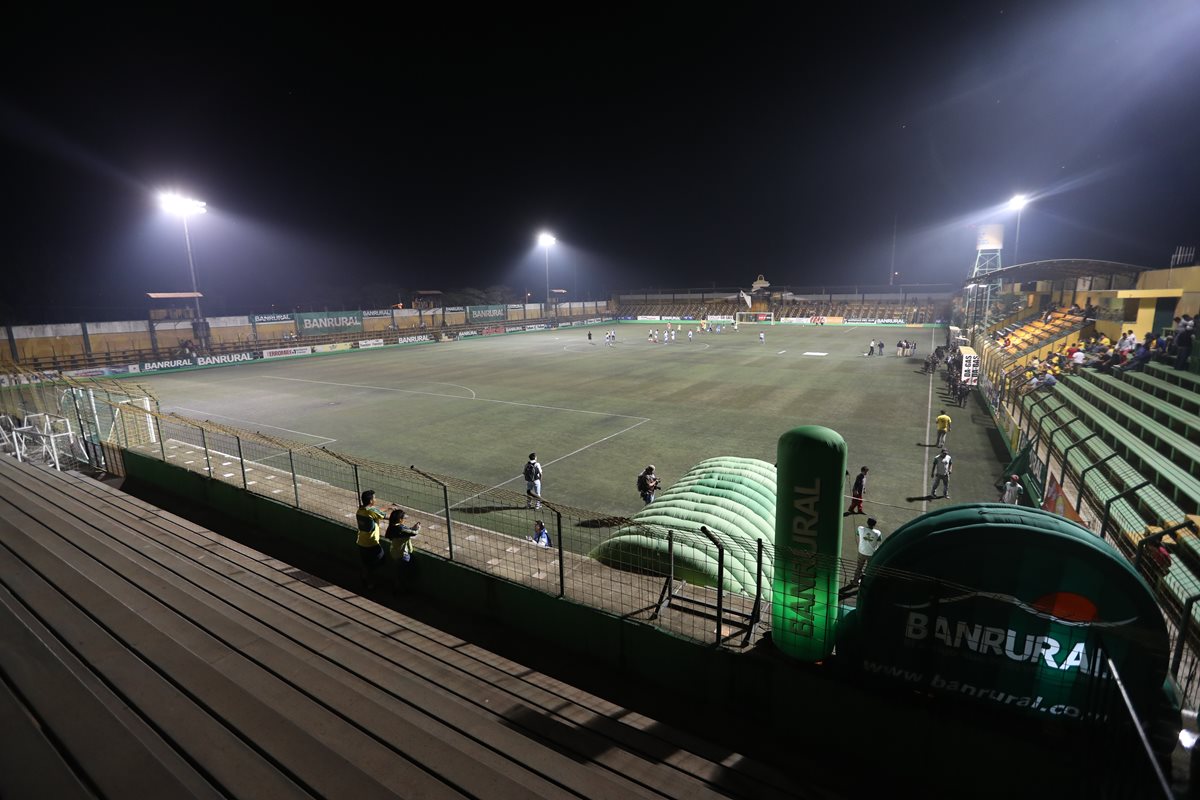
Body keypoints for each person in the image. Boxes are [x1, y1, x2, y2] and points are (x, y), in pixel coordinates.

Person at [355, 490, 391, 588]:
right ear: (371, 501)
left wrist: (387, 507)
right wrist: (400, 516)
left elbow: (377, 511)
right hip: (371, 543)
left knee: (366, 563)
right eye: (374, 498)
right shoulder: (371, 511)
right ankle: (369, 578)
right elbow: (385, 516)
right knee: (381, 559)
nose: (375, 499)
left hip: (361, 542)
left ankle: (365, 578)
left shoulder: (361, 510)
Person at [854, 518, 884, 584]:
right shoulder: (878, 532)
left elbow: (858, 534)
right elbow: (879, 540)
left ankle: (855, 581)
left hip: (861, 552)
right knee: (869, 569)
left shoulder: (861, 528)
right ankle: (865, 582)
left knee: (859, 567)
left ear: (867, 522)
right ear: (875, 524)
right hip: (872, 554)